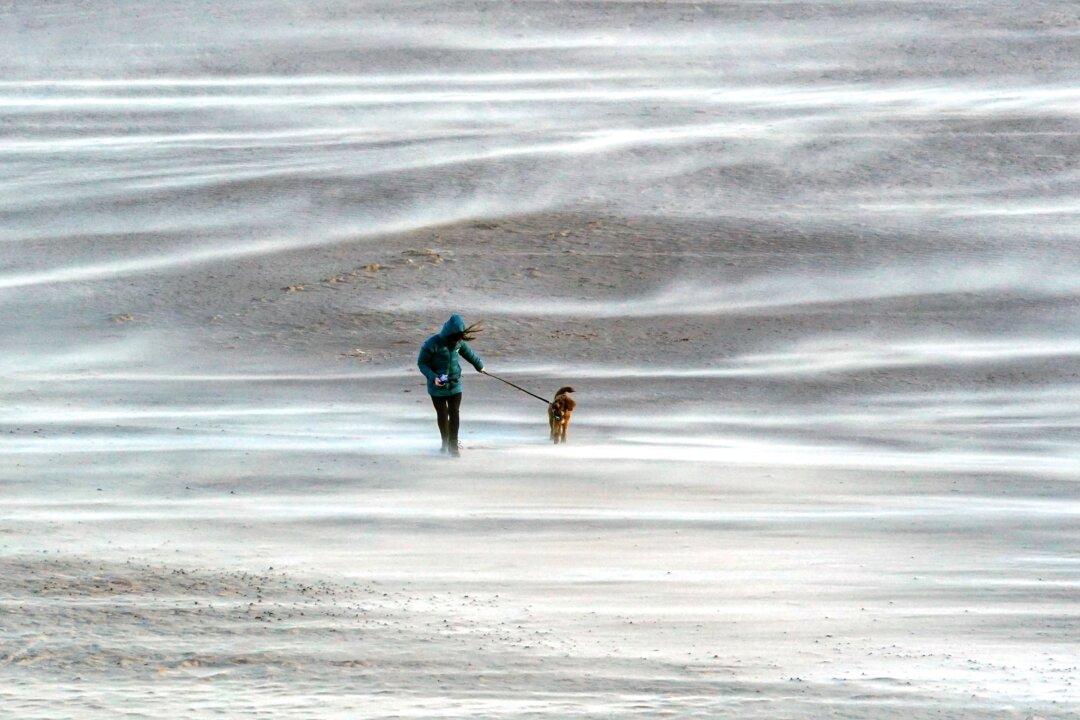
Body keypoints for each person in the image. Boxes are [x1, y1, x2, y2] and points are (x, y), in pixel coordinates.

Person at [417, 314, 485, 457]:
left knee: (454, 413)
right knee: (442, 414)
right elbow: (422, 364)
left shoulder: (458, 343)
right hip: (437, 388)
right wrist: (433, 377)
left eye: (459, 338)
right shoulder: (432, 344)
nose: (456, 341)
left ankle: (453, 445)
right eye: (455, 338)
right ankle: (445, 443)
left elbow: (470, 354)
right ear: (448, 334)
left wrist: (480, 366)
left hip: (455, 385)